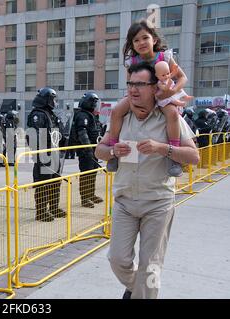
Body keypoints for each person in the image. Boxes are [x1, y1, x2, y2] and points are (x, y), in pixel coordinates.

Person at [95, 62, 199, 299]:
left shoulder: (170, 117)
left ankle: (143, 292)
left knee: (151, 266)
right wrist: (113, 151)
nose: (133, 89)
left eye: (140, 84)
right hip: (125, 202)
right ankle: (137, 287)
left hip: (158, 203)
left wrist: (162, 148)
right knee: (117, 259)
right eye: (130, 84)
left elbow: (194, 156)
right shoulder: (121, 118)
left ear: (155, 88)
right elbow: (98, 151)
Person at [106, 19, 190, 178]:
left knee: (172, 114)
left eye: (145, 38)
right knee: (116, 111)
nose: (141, 42)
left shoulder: (164, 57)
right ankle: (113, 152)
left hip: (161, 94)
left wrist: (171, 93)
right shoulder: (132, 61)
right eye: (136, 40)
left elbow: (182, 78)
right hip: (140, 96)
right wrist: (132, 102)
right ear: (132, 44)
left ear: (155, 39)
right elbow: (130, 84)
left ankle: (174, 156)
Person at [27, 87, 67, 222]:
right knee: (43, 184)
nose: (55, 102)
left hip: (54, 155)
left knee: (55, 181)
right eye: (53, 99)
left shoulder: (51, 114)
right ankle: (41, 211)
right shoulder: (37, 114)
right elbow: (34, 136)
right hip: (44, 156)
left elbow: (59, 133)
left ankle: (54, 208)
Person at [71, 92, 104, 208]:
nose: (96, 106)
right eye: (94, 103)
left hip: (94, 150)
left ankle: (91, 195)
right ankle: (85, 198)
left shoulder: (91, 115)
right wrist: (88, 148)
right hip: (86, 152)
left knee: (93, 173)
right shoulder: (82, 115)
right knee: (86, 175)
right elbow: (82, 133)